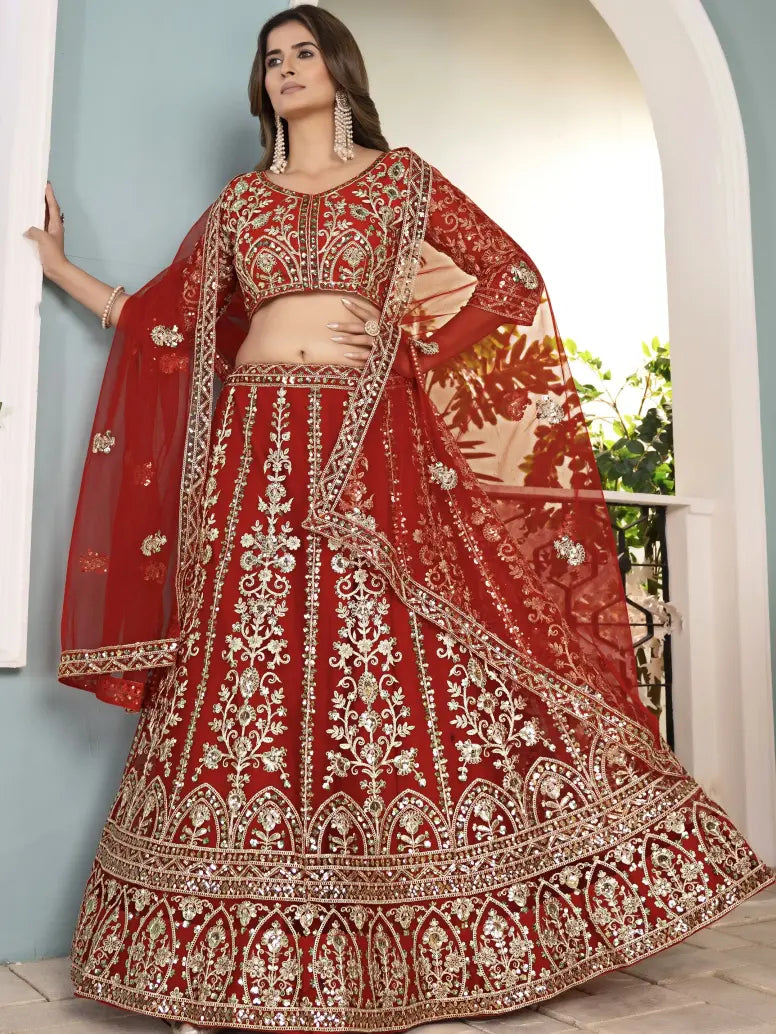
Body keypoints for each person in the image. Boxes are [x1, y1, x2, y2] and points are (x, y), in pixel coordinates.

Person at [25, 5, 775, 1033]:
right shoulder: (241, 203)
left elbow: (510, 282)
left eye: (301, 53)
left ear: (338, 70)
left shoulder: (400, 181)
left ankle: (408, 942)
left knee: (371, 672)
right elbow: (167, 321)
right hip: (248, 462)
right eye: (271, 59)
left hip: (356, 451)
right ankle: (213, 953)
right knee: (244, 675)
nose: (285, 69)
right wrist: (60, 268)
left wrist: (409, 346)